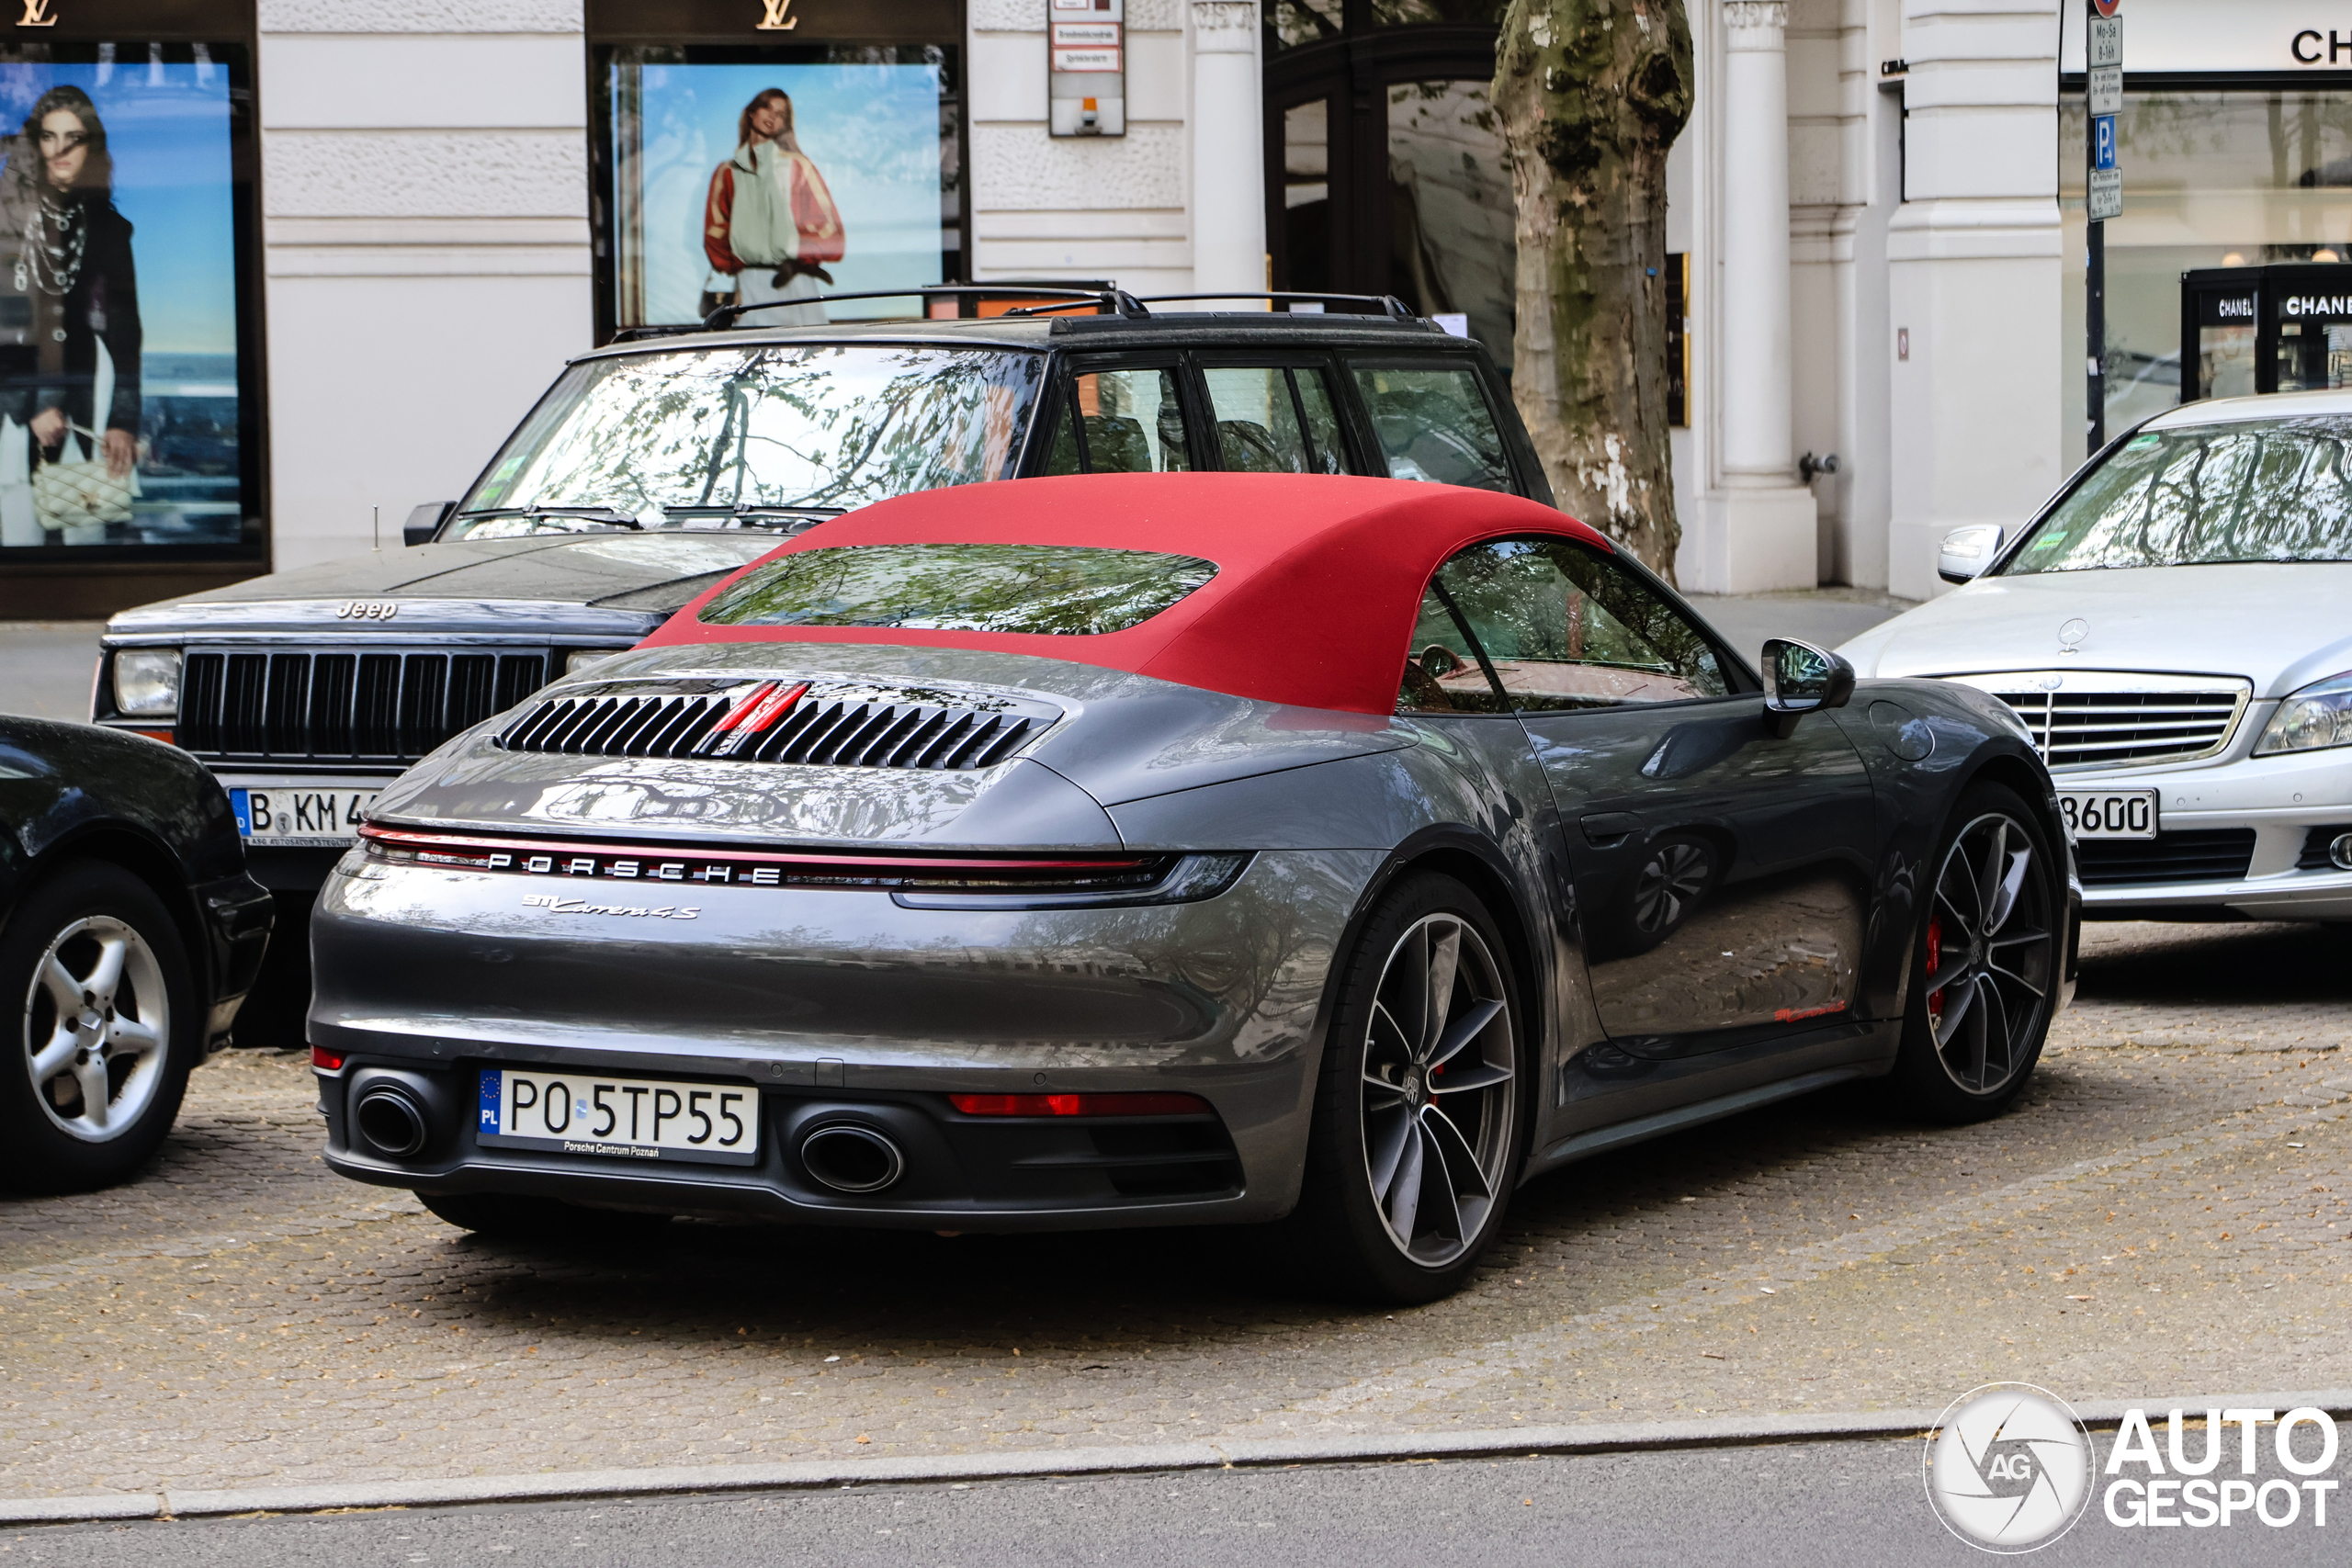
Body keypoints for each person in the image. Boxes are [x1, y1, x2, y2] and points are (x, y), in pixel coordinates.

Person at [0, 84, 141, 546]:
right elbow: (5, 316)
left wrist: (123, 419)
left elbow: (125, 330)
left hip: (88, 400)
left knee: (86, 531)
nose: (59, 150)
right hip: (14, 407)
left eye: (73, 138)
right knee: (18, 533)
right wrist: (29, 403)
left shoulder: (110, 230)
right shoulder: (9, 219)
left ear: (91, 146)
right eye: (48, 136)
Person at [700, 88, 845, 327]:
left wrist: (796, 254)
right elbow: (716, 230)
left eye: (781, 114)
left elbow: (830, 230)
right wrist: (740, 268)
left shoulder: (798, 167)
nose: (772, 116)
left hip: (796, 285)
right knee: (752, 356)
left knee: (805, 357)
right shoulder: (728, 172)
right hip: (750, 285)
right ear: (751, 112)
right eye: (768, 108)